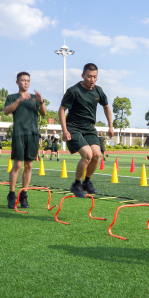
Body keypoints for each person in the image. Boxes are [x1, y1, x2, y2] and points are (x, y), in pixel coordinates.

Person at [59, 63, 114, 198]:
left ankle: (86, 182)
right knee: (87, 155)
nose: (92, 80)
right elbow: (61, 110)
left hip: (89, 128)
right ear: (83, 75)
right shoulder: (73, 91)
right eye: (89, 76)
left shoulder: (98, 91)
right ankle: (76, 184)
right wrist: (64, 130)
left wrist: (110, 126)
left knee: (97, 154)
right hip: (74, 128)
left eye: (95, 77)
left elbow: (106, 107)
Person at [4, 72, 47, 209]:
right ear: (17, 82)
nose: (25, 83)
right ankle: (11, 195)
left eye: (28, 80)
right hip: (19, 134)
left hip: (33, 134)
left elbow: (44, 113)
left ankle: (24, 195)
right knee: (17, 165)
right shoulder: (12, 97)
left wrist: (41, 101)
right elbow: (6, 111)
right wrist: (19, 100)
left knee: (29, 166)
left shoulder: (34, 98)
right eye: (23, 80)